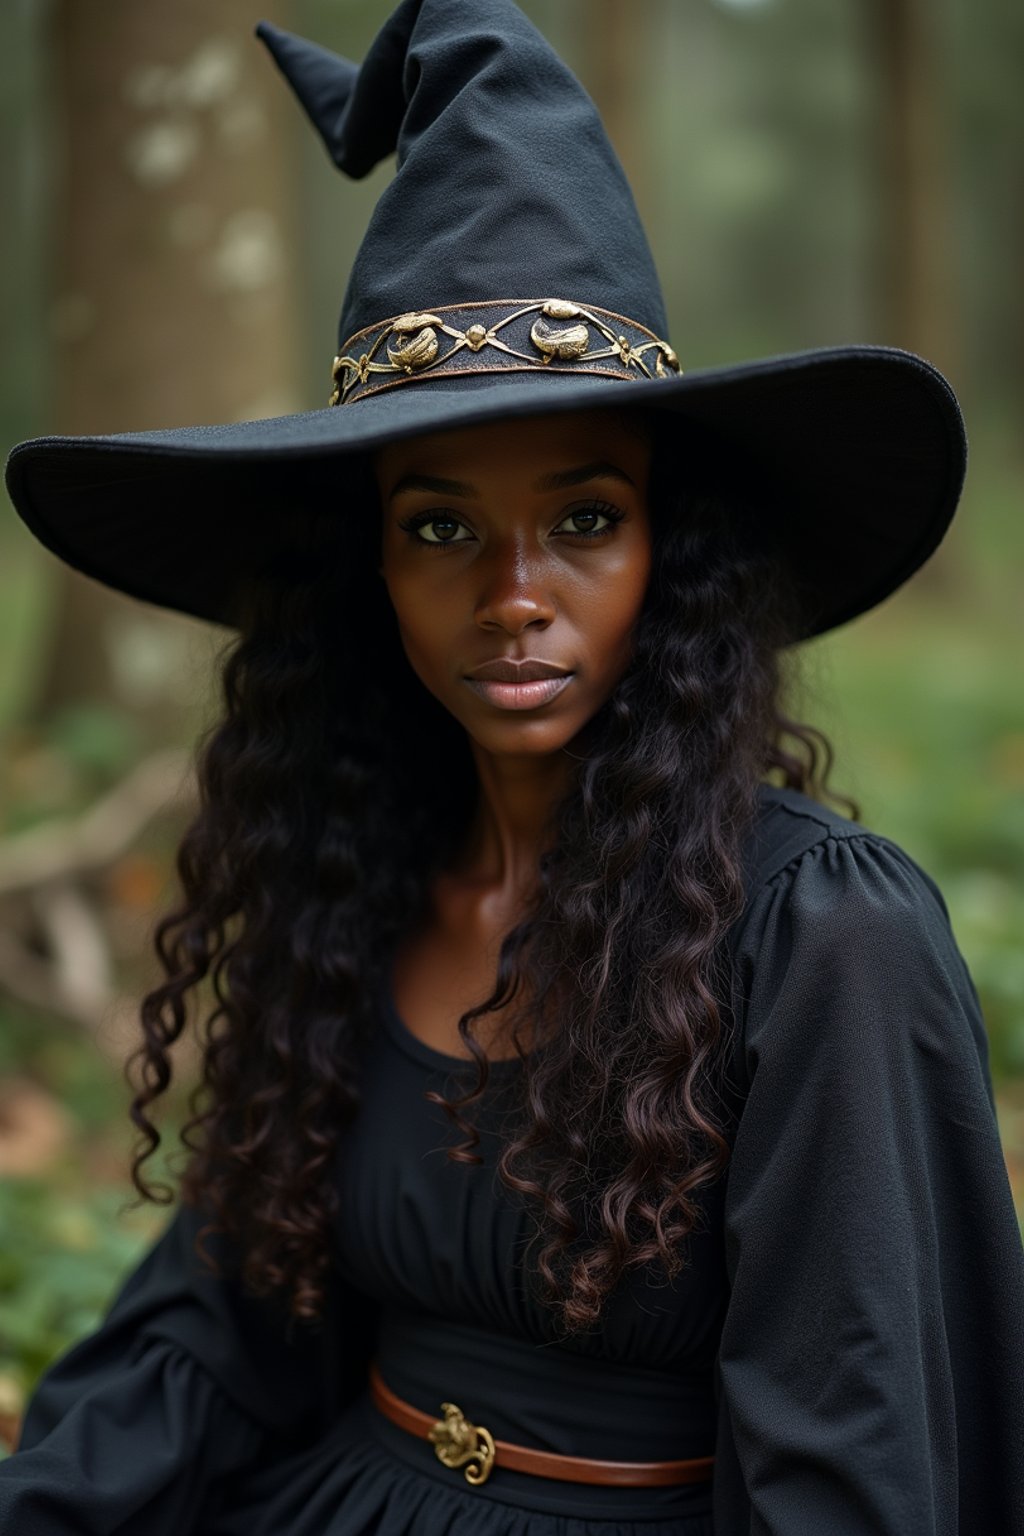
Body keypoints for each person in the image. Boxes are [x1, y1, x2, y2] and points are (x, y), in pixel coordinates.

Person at [1, 2, 1022, 1533]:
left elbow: (852, 1458)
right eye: (438, 526)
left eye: (587, 518)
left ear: (676, 556)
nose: (514, 591)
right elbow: (223, 1332)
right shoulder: (353, 885)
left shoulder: (823, 938)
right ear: (367, 571)